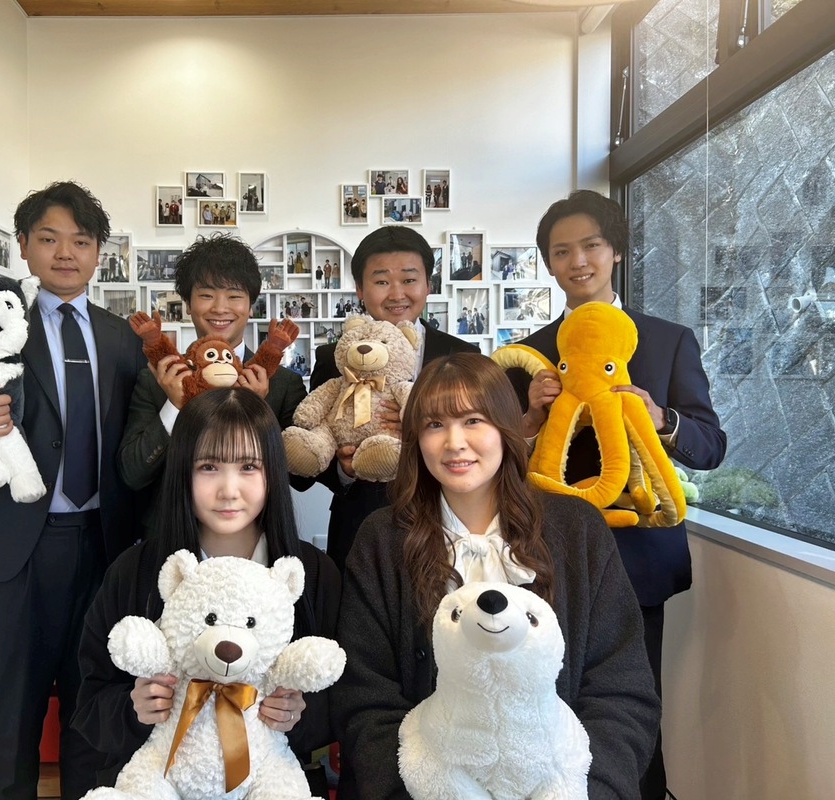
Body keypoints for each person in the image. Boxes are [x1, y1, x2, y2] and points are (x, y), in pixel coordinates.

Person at [331, 353, 660, 799]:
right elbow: (365, 698)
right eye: (434, 425)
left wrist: (585, 790)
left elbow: (621, 690)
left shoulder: (577, 530)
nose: (454, 443)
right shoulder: (382, 538)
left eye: (473, 420)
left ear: (506, 427)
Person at [0, 181, 148, 800]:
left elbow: (137, 438)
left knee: (92, 706)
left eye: (81, 241)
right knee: (13, 710)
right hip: (17, 550)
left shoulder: (123, 339)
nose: (65, 253)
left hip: (104, 548)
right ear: (23, 246)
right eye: (49, 238)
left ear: (99, 254)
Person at [509, 190, 726, 800]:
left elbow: (710, 445)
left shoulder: (667, 340)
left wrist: (661, 419)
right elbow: (496, 455)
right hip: (549, 553)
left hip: (638, 556)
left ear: (617, 252)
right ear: (549, 263)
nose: (578, 261)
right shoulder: (532, 351)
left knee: (634, 704)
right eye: (561, 251)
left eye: (591, 246)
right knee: (549, 701)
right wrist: (529, 419)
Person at [74, 388, 341, 792]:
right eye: (209, 466)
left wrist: (300, 715)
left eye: (248, 466)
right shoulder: (136, 572)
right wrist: (132, 708)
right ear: (182, 471)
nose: (229, 490)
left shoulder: (312, 574)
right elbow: (90, 702)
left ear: (273, 471)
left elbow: (344, 696)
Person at [118, 233, 309, 542]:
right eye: (206, 295)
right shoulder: (156, 378)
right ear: (188, 304)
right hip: (171, 540)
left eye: (234, 296)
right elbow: (132, 473)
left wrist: (258, 414)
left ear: (250, 305)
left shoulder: (283, 383)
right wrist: (174, 406)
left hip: (258, 541)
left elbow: (302, 479)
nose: (220, 308)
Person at [308, 226, 477, 572]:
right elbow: (318, 444)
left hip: (450, 524)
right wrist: (343, 470)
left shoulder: (463, 356)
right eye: (382, 281)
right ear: (360, 289)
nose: (397, 293)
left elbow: (479, 438)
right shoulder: (333, 358)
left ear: (428, 285)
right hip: (360, 527)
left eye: (409, 280)